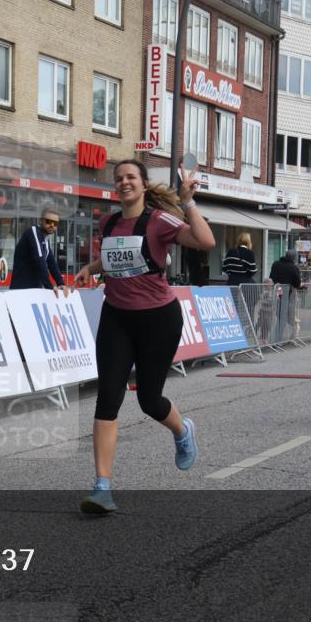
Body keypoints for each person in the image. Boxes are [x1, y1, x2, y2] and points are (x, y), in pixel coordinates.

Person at [73, 160, 215, 514]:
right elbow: (112, 260)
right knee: (108, 397)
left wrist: (188, 202)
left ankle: (183, 432)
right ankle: (102, 487)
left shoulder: (158, 221)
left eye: (130, 177)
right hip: (116, 317)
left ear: (142, 184)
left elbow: (205, 240)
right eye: (119, 179)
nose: (123, 183)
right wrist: (88, 269)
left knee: (150, 401)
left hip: (158, 319)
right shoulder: (107, 223)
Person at [9, 206, 67, 295]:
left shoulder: (45, 239)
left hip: (34, 291)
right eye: (48, 221)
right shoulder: (33, 232)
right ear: (41, 221)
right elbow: (40, 261)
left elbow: (52, 263)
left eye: (55, 223)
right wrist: (50, 286)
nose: (52, 225)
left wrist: (61, 283)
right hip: (20, 291)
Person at [269, 249, 306, 342]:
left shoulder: (275, 264)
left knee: (279, 316)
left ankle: (277, 337)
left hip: (277, 293)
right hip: (288, 295)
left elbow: (271, 277)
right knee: (285, 317)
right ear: (294, 258)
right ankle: (278, 339)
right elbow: (297, 283)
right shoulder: (293, 268)